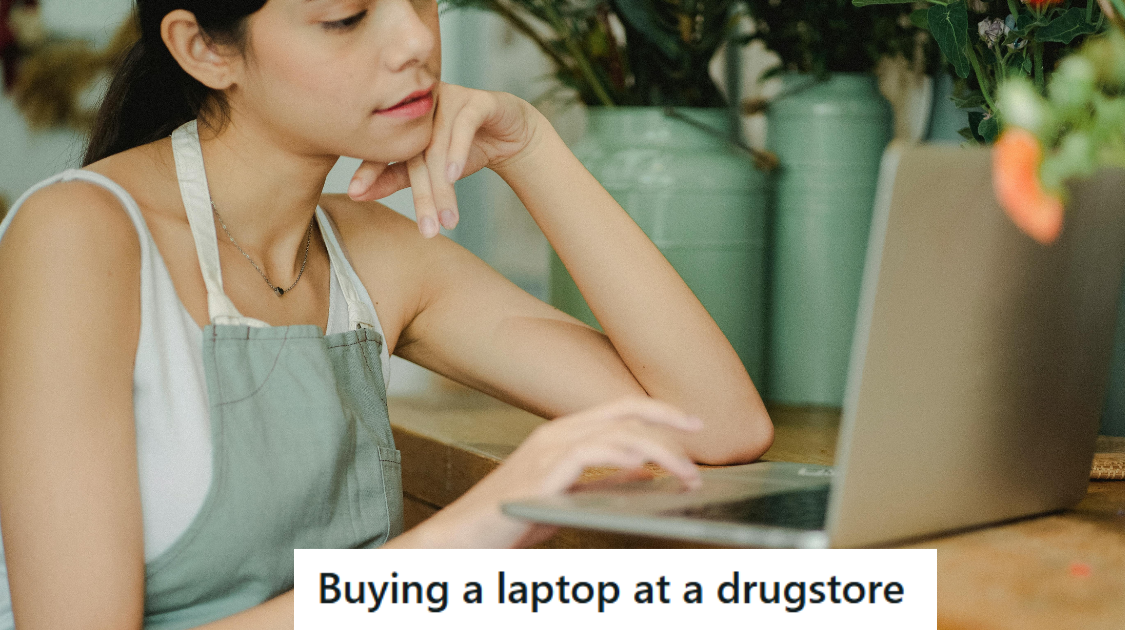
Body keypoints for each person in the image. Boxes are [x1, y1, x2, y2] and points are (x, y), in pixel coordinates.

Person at [0, 0, 774, 628]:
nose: (414, 41)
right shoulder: (78, 235)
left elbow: (718, 425)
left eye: (420, 0)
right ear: (205, 49)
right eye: (347, 18)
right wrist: (477, 528)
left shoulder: (373, 251)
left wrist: (529, 145)